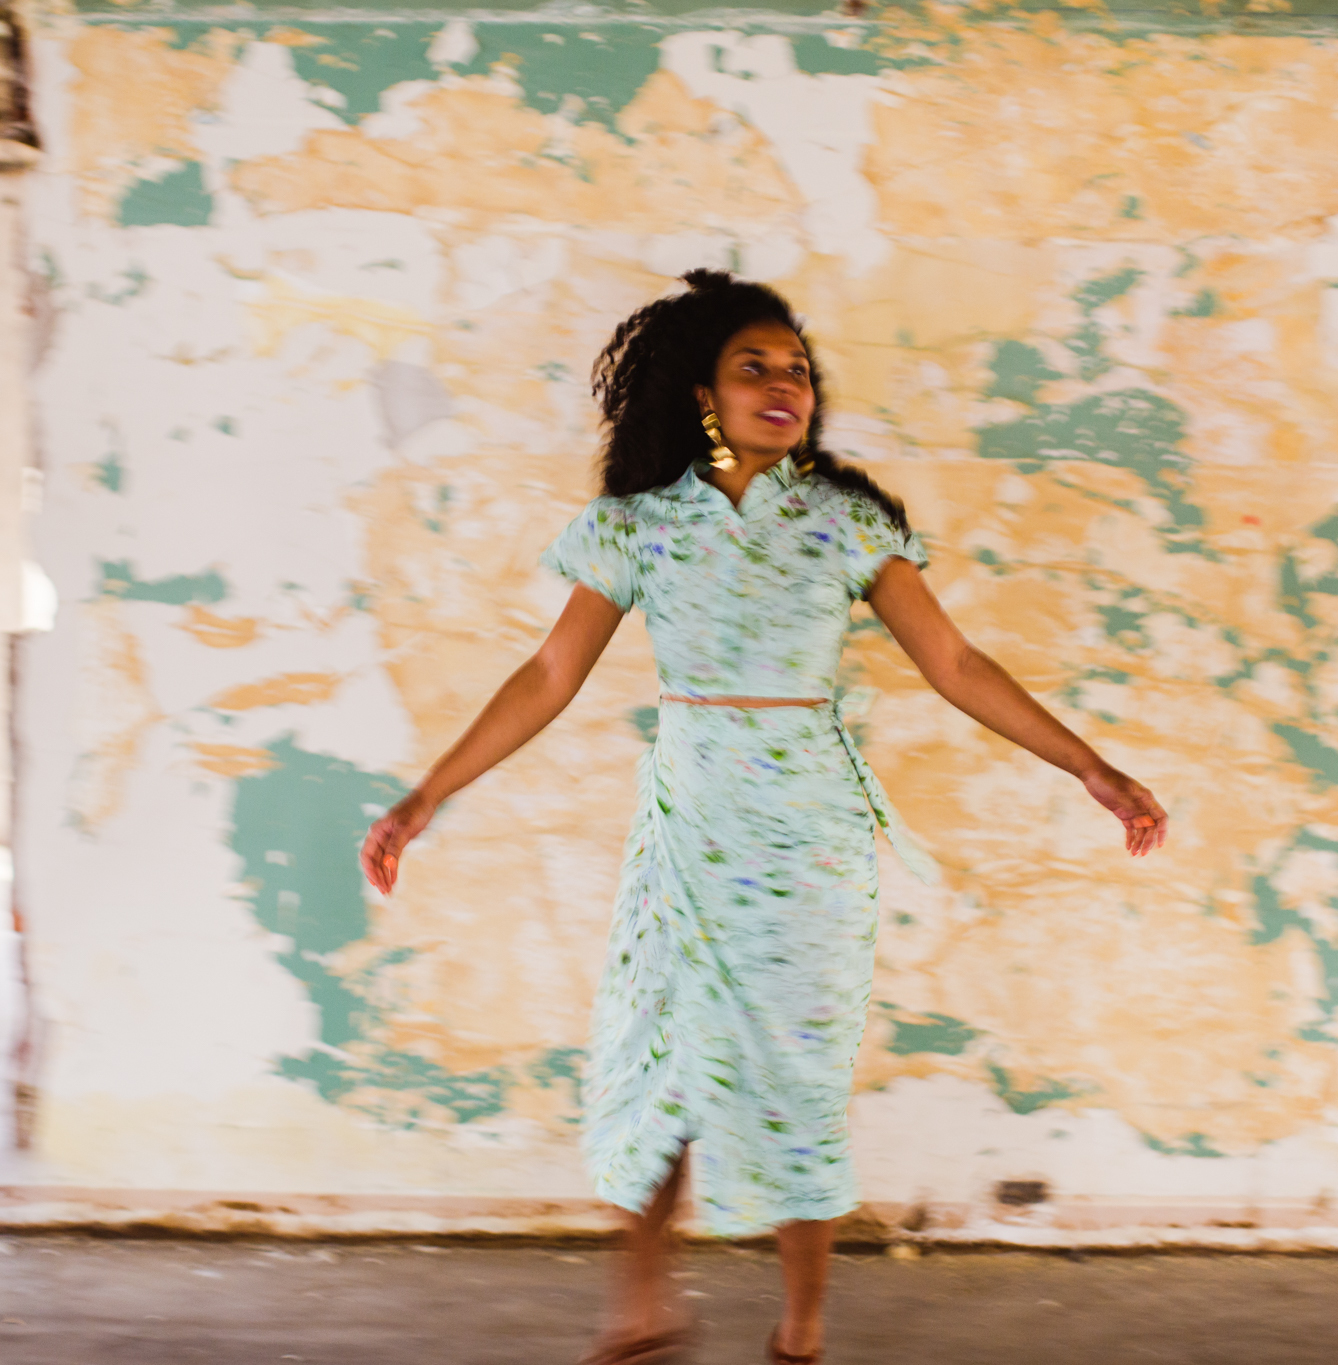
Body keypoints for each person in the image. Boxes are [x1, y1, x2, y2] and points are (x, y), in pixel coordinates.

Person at [360, 270, 1167, 1365]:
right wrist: (424, 797)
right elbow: (547, 674)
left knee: (794, 1072)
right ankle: (640, 1308)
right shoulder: (638, 529)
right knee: (660, 1065)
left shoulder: (847, 525)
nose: (783, 384)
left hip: (808, 839)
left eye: (797, 369)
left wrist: (1092, 769)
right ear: (703, 394)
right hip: (686, 833)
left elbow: (956, 663)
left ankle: (801, 1329)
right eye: (755, 367)